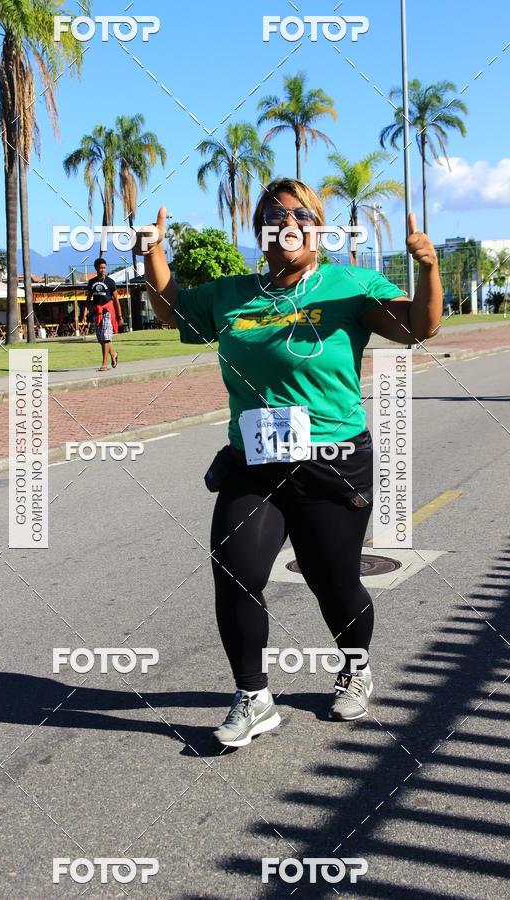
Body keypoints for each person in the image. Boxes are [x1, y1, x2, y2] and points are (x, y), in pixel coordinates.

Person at [134, 178, 442, 748]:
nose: (287, 223)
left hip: (332, 459)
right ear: (261, 233)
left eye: (300, 215)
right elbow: (172, 308)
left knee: (335, 582)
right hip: (254, 461)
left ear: (318, 228)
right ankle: (253, 697)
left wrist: (427, 270)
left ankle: (355, 664)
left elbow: (418, 328)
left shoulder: (350, 285)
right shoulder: (231, 294)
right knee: (235, 571)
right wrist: (153, 252)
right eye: (274, 217)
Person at [86, 258, 124, 370]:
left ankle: (104, 364)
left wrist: (119, 316)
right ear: (96, 269)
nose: (102, 270)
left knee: (106, 338)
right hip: (96, 313)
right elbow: (88, 299)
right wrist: (85, 313)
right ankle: (113, 354)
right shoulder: (91, 282)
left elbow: (116, 299)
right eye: (100, 268)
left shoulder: (110, 282)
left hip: (108, 311)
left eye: (104, 268)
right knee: (100, 338)